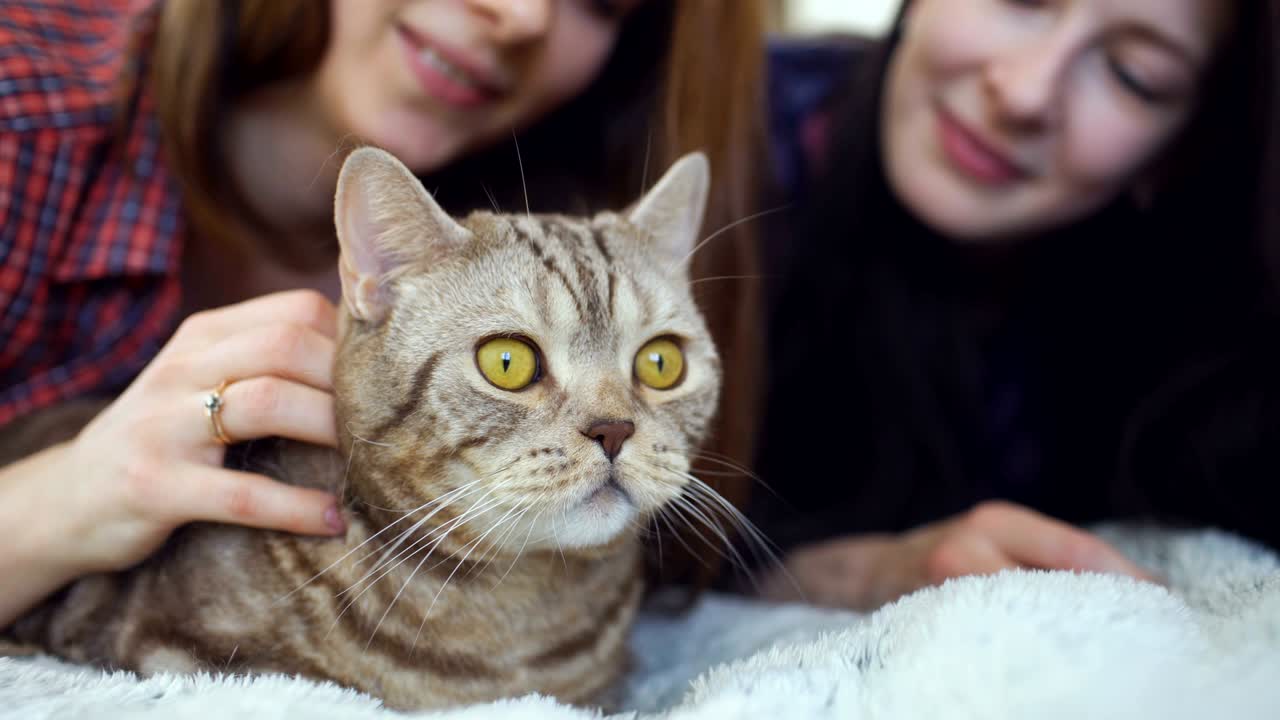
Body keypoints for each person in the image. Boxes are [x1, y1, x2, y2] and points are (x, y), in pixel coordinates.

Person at [0, 0, 768, 628]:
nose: (522, 15)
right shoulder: (22, 104)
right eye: (514, 361)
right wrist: (58, 499)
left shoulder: (578, 197)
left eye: (598, 4)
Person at [753, 0, 1280, 611]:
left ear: (1182, 146)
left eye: (1133, 74)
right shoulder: (720, 138)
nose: (1025, 93)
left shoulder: (1193, 325)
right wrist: (861, 575)